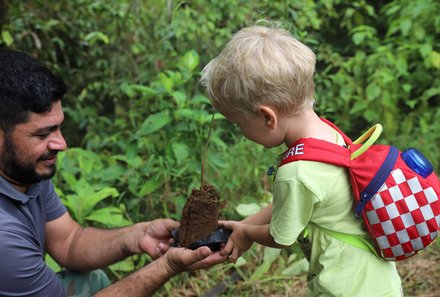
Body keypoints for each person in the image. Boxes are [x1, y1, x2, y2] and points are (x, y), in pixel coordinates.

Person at [0, 49, 228, 297]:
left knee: (92, 278)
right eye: (43, 134)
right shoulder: (4, 237)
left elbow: (69, 241)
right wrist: (167, 265)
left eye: (58, 128)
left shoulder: (24, 171)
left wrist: (139, 235)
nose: (61, 144)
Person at [200, 25, 403, 296]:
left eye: (239, 123)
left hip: (344, 287)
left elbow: (280, 236)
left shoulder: (296, 172)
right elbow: (296, 203)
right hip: (374, 280)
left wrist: (247, 235)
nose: (241, 131)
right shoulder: (328, 136)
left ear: (267, 117)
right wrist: (245, 224)